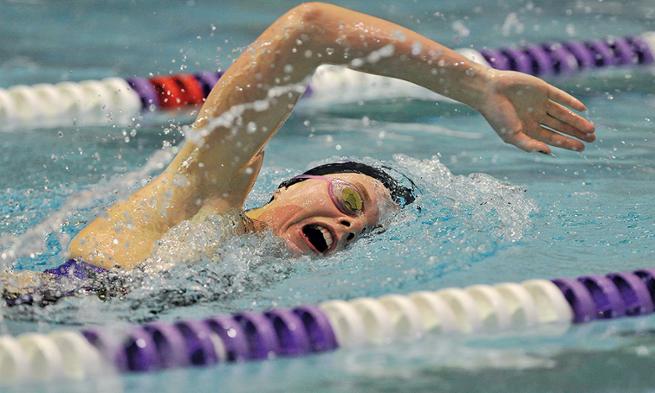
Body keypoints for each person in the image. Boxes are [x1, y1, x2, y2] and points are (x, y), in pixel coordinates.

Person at [4, 3, 595, 298]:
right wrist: (478, 85)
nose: (345, 223)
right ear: (288, 184)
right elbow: (310, 28)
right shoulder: (208, 194)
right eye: (350, 198)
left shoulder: (246, 285)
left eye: (358, 231)